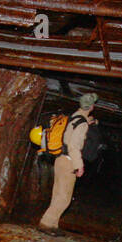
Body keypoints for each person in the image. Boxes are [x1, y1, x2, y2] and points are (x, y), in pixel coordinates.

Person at [39, 93, 97, 231]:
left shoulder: (73, 118)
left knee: (58, 195)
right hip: (69, 162)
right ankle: (46, 224)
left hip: (60, 159)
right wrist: (79, 166)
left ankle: (53, 225)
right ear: (92, 107)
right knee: (64, 198)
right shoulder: (81, 123)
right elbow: (74, 146)